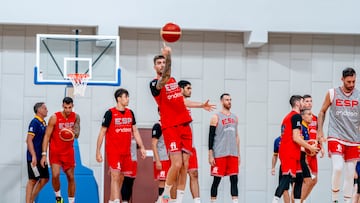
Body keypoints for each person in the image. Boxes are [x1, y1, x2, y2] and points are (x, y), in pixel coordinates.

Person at [149, 45, 213, 203]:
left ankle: (179, 200)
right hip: (170, 126)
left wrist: (201, 105)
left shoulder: (174, 82)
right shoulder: (154, 83)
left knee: (185, 165)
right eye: (159, 63)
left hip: (185, 124)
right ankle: (165, 195)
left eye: (164, 62)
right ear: (154, 66)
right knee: (176, 164)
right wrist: (169, 56)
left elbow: (182, 101)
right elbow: (165, 76)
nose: (162, 65)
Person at [96, 88, 146, 203]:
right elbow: (102, 133)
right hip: (114, 151)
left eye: (128, 97)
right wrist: (98, 151)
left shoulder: (130, 113)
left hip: (127, 151)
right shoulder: (110, 113)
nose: (128, 99)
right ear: (119, 99)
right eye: (126, 96)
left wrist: (142, 146)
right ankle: (117, 200)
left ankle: (112, 200)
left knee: (122, 178)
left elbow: (135, 131)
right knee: (115, 176)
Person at [317, 67, 360, 203]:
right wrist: (320, 131)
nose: (351, 84)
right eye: (349, 82)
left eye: (354, 81)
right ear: (342, 80)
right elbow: (322, 112)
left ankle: (346, 201)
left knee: (349, 173)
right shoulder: (332, 93)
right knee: (338, 167)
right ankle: (335, 199)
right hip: (336, 135)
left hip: (354, 139)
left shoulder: (358, 95)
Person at [271, 95, 318, 203]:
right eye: (303, 101)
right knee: (286, 178)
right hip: (289, 152)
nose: (304, 104)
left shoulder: (287, 117)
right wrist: (310, 147)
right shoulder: (296, 116)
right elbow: (296, 137)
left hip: (293, 152)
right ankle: (275, 200)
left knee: (299, 178)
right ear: (297, 103)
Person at [176, 80, 215, 203]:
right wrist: (201, 105)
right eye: (188, 88)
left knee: (194, 173)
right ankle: (177, 200)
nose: (190, 90)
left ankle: (197, 201)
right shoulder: (177, 100)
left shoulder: (186, 105)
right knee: (179, 174)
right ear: (180, 89)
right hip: (179, 145)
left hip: (190, 145)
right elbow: (185, 102)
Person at [40, 97, 80, 203]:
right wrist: (44, 154)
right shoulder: (54, 117)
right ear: (62, 106)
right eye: (66, 107)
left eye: (70, 107)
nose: (68, 110)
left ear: (73, 106)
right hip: (55, 151)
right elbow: (47, 136)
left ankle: (71, 201)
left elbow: (77, 134)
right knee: (55, 175)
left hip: (68, 152)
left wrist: (72, 131)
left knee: (71, 177)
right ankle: (59, 198)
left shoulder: (76, 117)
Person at [208, 93, 240, 203]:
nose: (229, 102)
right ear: (222, 101)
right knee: (217, 180)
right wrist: (210, 154)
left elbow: (236, 136)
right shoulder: (215, 117)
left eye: (230, 100)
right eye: (227, 100)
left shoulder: (235, 118)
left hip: (233, 153)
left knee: (234, 179)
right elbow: (211, 136)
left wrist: (238, 154)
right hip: (220, 153)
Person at [300, 95, 324, 203]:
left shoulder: (315, 118)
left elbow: (318, 134)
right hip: (305, 152)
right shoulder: (300, 118)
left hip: (313, 152)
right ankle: (299, 200)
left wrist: (321, 147)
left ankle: (303, 199)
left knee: (315, 180)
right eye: (306, 101)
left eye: (310, 101)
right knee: (306, 180)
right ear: (303, 103)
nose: (309, 103)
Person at [25, 102, 49, 203]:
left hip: (41, 156)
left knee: (45, 178)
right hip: (33, 157)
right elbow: (29, 140)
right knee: (32, 180)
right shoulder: (34, 122)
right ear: (39, 110)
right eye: (45, 108)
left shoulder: (43, 123)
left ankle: (31, 199)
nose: (47, 110)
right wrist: (33, 156)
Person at [152, 109, 172, 203]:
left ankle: (165, 201)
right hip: (162, 158)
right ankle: (160, 200)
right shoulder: (158, 126)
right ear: (160, 112)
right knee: (162, 181)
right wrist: (157, 160)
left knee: (170, 181)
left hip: (171, 158)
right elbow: (153, 144)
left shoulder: (171, 125)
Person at [271, 136, 290, 203]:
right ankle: (276, 198)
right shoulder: (277, 140)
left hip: (293, 165)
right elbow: (275, 155)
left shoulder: (293, 138)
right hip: (283, 166)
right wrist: (273, 167)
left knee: (295, 188)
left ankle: (275, 199)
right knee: (285, 189)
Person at [120, 137, 138, 203]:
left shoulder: (135, 134)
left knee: (130, 181)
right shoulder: (123, 132)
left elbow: (138, 145)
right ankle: (124, 200)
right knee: (126, 180)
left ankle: (126, 200)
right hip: (125, 159)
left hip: (134, 160)